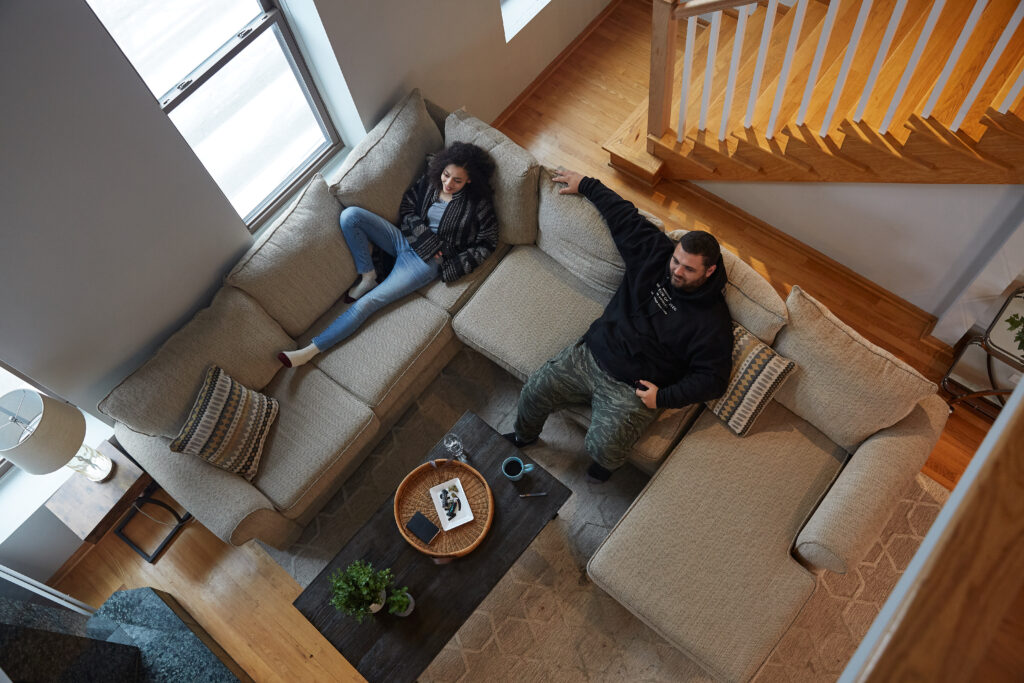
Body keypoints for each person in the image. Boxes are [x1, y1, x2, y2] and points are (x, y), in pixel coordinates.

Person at [503, 169, 733, 482]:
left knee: (604, 447)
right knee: (534, 391)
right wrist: (586, 184)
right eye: (676, 261)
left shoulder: (713, 321)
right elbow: (622, 215)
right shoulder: (655, 252)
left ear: (709, 271)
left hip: (632, 390)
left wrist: (662, 398)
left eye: (688, 269)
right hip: (590, 354)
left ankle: (600, 472)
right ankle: (523, 438)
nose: (676, 271)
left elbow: (714, 379)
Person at [279, 142, 498, 367]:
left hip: (424, 263)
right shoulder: (431, 182)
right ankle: (368, 275)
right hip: (406, 239)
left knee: (367, 303)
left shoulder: (478, 206)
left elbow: (488, 242)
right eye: (446, 175)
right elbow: (407, 208)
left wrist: (453, 265)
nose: (448, 183)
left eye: (457, 180)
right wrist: (424, 236)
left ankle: (310, 351)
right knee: (351, 216)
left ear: (469, 180)